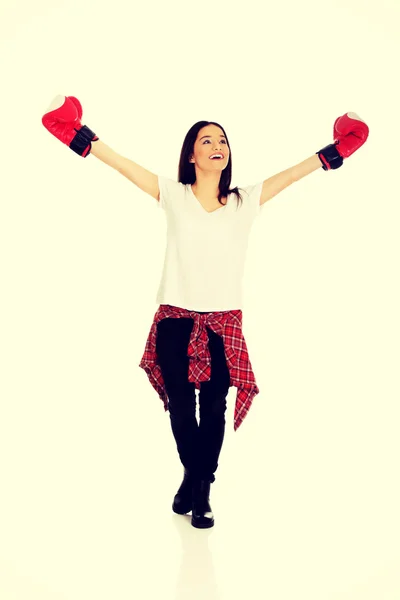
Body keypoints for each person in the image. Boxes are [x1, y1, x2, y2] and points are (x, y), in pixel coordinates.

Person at [42, 95, 369, 528]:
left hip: (222, 323)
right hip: (174, 320)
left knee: (214, 406)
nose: (218, 145)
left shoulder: (245, 200)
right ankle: (197, 484)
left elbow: (294, 174)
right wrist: (75, 131)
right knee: (180, 405)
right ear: (192, 155)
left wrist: (340, 146)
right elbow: (120, 163)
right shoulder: (173, 195)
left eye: (223, 140)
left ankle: (198, 487)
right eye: (206, 140)